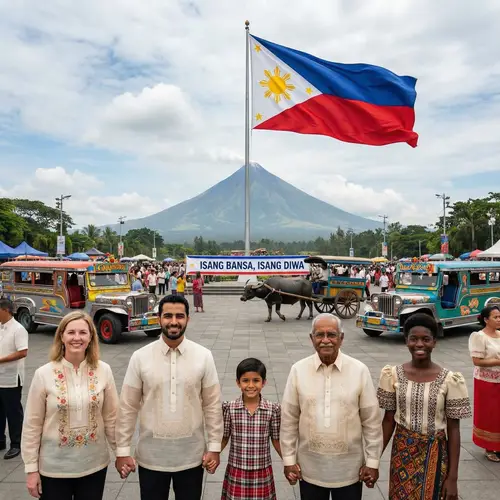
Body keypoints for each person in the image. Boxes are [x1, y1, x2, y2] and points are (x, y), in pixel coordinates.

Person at [115, 294, 223, 500]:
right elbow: (127, 407)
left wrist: (215, 447)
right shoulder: (140, 357)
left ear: (188, 320)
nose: (174, 322)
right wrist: (122, 450)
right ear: (159, 319)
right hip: (151, 458)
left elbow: (212, 405)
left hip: (192, 457)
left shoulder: (203, 356)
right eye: (168, 316)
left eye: (180, 316)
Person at [280, 313, 382, 500]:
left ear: (341, 338)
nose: (325, 340)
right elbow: (289, 420)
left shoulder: (359, 370)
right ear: (311, 339)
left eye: (331, 335)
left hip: (350, 471)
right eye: (319, 335)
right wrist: (289, 460)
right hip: (309, 469)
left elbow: (372, 423)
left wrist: (373, 462)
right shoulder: (298, 370)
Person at [21, 311, 119, 500]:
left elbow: (112, 417)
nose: (77, 338)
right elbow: (32, 425)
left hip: (94, 465)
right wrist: (31, 469)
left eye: (83, 333)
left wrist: (121, 452)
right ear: (61, 336)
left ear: (91, 337)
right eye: (71, 332)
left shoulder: (103, 370)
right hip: (54, 469)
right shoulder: (44, 374)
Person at [378, 313, 471, 500]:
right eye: (413, 339)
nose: (419, 344)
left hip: (436, 453)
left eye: (426, 339)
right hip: (402, 454)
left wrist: (453, 477)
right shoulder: (392, 375)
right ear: (406, 341)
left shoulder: (449, 379)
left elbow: (454, 429)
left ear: (434, 342)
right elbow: (388, 420)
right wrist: (373, 459)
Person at [217, 358, 281, 500]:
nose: (251, 385)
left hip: (262, 472)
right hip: (237, 470)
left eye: (256, 380)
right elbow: (224, 437)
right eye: (245, 380)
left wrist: (289, 462)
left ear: (264, 382)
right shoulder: (230, 408)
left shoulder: (272, 409)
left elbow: (276, 440)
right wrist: (213, 455)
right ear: (238, 382)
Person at [469, 305, 500, 462]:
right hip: (487, 382)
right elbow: (477, 361)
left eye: (499, 317)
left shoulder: (499, 335)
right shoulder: (479, 337)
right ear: (486, 320)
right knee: (490, 414)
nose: (499, 320)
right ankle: (489, 446)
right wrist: (498, 361)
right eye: (495, 317)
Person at [0, 298, 28, 460]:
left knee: (13, 412)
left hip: (11, 377)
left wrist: (1, 360)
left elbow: (22, 352)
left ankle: (16, 444)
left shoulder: (18, 329)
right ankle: (1, 439)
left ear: (5, 310)